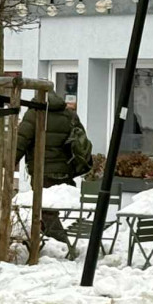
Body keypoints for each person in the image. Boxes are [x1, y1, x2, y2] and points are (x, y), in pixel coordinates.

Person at [15, 92, 94, 241]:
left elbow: (21, 141)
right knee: (49, 209)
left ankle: (61, 241)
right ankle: (47, 239)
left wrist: (9, 162)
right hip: (66, 171)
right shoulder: (70, 115)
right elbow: (80, 140)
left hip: (42, 172)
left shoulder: (34, 114)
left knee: (46, 208)